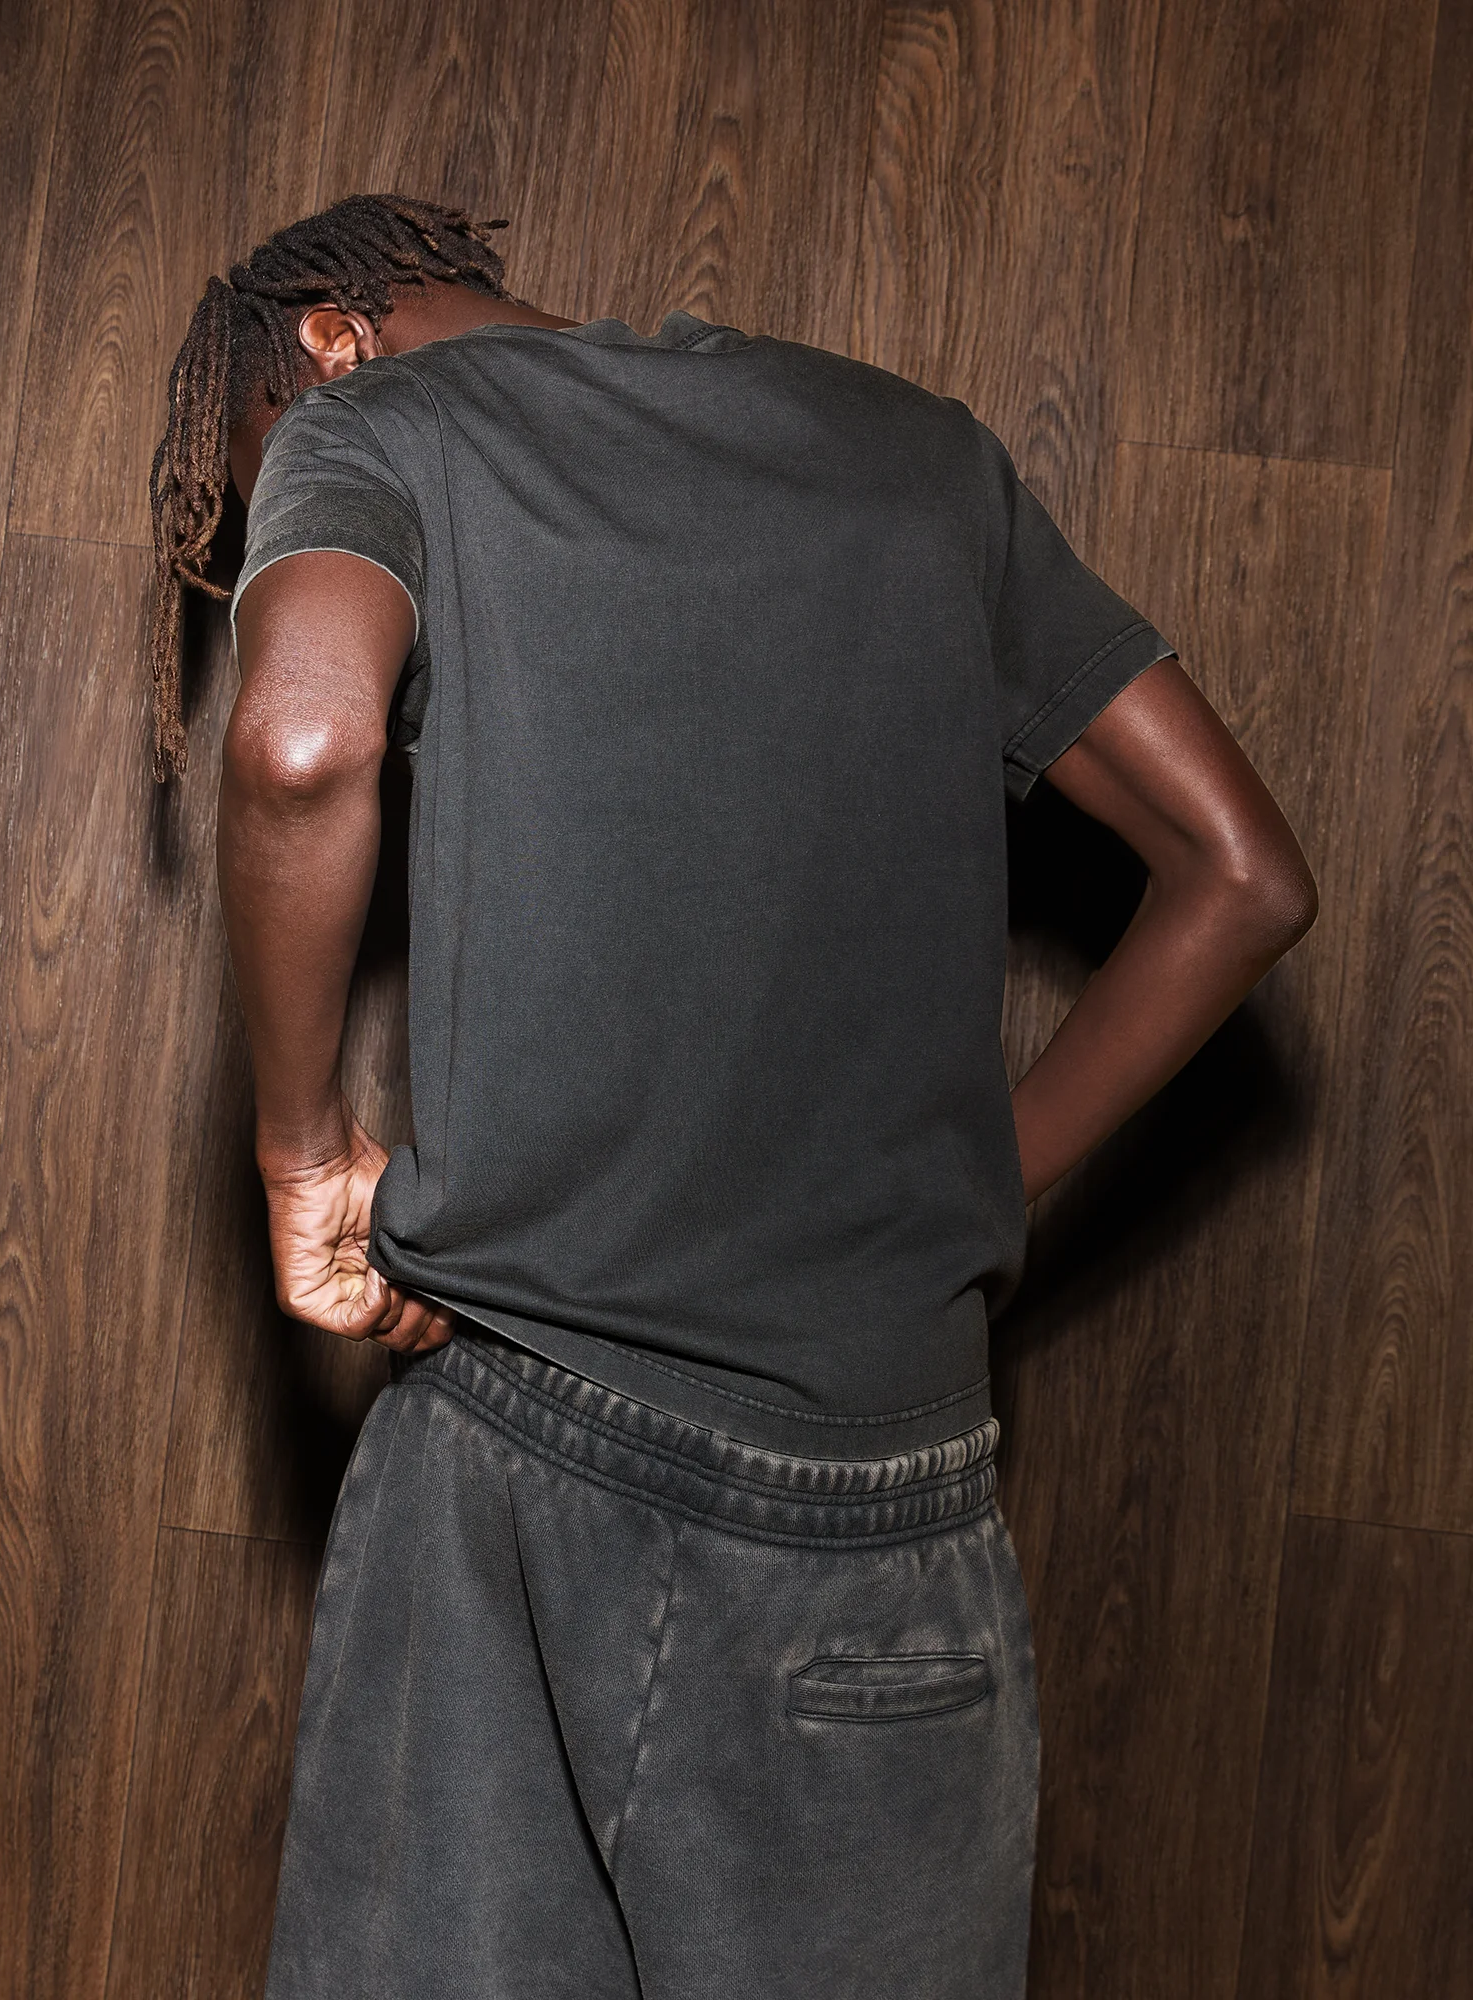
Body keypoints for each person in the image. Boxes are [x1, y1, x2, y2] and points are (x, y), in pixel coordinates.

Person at [149, 194, 1317, 1999]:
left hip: (513, 1461)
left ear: (326, 337)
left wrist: (303, 1154)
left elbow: (302, 743)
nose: (276, 516)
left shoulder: (367, 424)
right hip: (879, 1507)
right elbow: (1245, 875)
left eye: (257, 479)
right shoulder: (926, 456)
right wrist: (971, 1189)